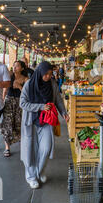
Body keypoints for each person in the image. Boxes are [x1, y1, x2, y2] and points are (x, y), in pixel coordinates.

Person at [20, 61, 69, 189]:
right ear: (39, 72)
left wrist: (63, 112)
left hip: (47, 120)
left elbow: (58, 99)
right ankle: (31, 177)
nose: (48, 76)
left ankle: (39, 171)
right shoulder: (29, 85)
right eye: (46, 74)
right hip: (31, 121)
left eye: (50, 74)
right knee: (30, 150)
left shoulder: (52, 83)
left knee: (46, 148)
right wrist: (41, 107)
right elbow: (23, 103)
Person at [1, 61, 29, 157]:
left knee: (19, 124)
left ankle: (23, 145)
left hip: (20, 103)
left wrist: (20, 87)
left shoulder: (26, 79)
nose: (14, 67)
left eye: (17, 66)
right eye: (14, 65)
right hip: (9, 102)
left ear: (22, 68)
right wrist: (2, 99)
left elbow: (28, 94)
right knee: (7, 124)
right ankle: (7, 148)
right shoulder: (9, 75)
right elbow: (4, 88)